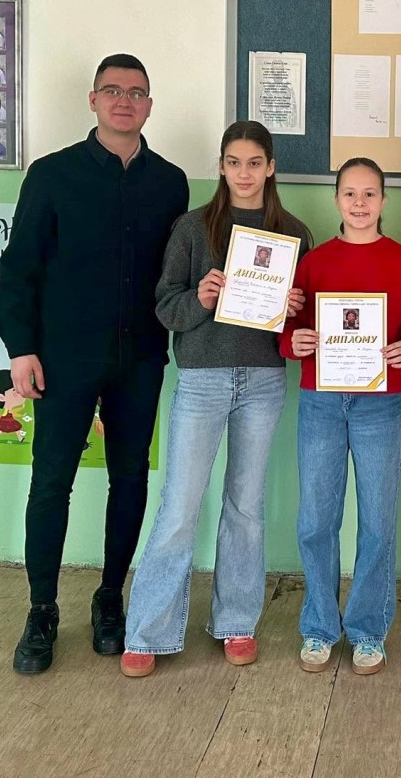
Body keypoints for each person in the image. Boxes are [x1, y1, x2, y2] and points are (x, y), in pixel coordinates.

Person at [0, 54, 189, 675]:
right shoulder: (51, 174)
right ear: (93, 100)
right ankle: (42, 609)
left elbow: (176, 274)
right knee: (52, 481)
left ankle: (110, 598)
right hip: (63, 359)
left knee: (130, 479)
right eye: (112, 90)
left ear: (149, 105)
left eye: (136, 92)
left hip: (140, 359)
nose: (123, 100)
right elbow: (19, 269)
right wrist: (20, 349)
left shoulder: (171, 182)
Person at [120, 120, 312, 678]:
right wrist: (201, 299)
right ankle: (148, 630)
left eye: (254, 163)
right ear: (222, 166)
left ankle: (237, 621)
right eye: (233, 162)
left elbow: (301, 330)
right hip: (202, 378)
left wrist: (295, 307)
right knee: (179, 505)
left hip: (263, 381)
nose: (244, 173)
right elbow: (165, 307)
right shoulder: (191, 228)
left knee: (246, 507)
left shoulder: (294, 233)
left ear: (270, 168)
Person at [281, 157, 401, 675]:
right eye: (350, 193)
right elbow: (288, 328)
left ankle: (368, 631)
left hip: (379, 404)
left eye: (369, 194)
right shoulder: (313, 263)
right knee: (315, 522)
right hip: (321, 401)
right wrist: (294, 342)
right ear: (336, 199)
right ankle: (320, 626)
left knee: (377, 523)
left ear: (384, 200)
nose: (359, 203)